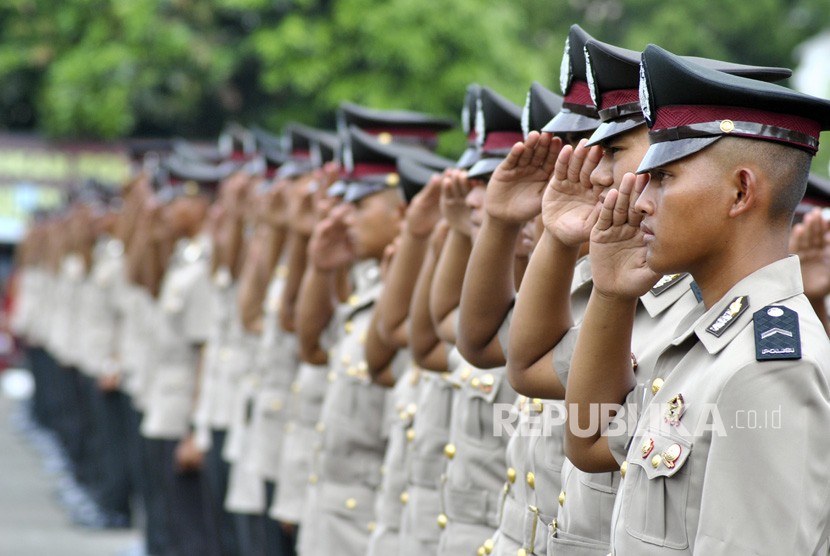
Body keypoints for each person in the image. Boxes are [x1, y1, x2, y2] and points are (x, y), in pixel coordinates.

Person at [564, 44, 830, 554]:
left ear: (740, 192)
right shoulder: (705, 339)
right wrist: (613, 292)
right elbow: (589, 442)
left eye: (663, 178)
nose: (639, 201)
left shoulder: (768, 367)